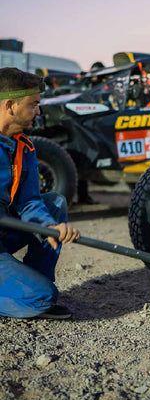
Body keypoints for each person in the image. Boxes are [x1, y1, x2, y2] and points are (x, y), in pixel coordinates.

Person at [0, 67, 80, 319]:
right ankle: (30, 294)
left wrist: (49, 227)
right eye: (33, 105)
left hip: (3, 230)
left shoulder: (24, 147)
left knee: (54, 203)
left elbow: (30, 201)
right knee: (42, 297)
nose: (38, 111)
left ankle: (33, 283)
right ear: (10, 106)